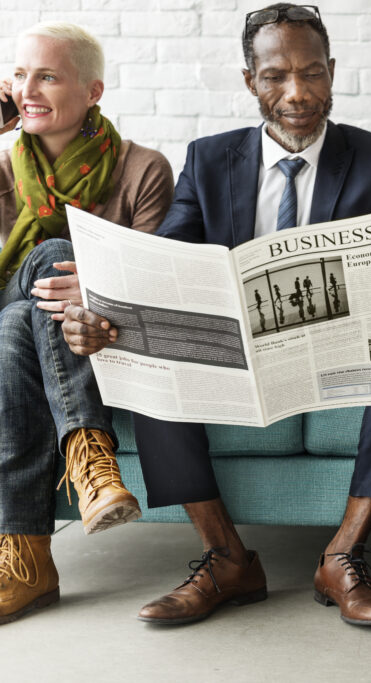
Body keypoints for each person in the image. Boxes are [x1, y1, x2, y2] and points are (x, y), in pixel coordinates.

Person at [61, 3, 371, 627]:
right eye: (276, 76)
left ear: (332, 73)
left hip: (336, 350)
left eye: (313, 73)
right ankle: (227, 560)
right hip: (236, 353)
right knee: (146, 341)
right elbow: (165, 258)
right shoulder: (210, 159)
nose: (297, 93)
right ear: (251, 81)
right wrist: (99, 312)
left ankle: (343, 555)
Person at [0, 22, 173, 625]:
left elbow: (155, 281)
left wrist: (100, 289)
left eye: (47, 75)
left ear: (93, 91)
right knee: (49, 260)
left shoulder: (144, 168)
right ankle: (91, 460)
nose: (28, 88)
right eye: (19, 74)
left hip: (101, 334)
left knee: (18, 327)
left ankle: (26, 560)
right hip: (19, 303)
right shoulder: (2, 167)